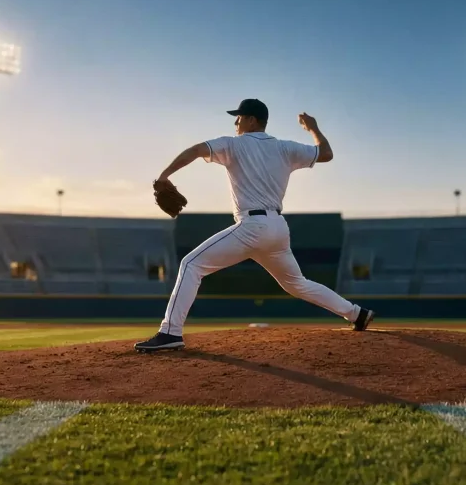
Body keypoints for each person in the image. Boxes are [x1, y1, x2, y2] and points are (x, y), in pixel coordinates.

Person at [135, 98, 376, 352]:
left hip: (252, 227)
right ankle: (357, 314)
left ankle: (170, 332)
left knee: (191, 264)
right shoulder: (285, 148)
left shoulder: (233, 144)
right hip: (277, 229)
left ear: (252, 120)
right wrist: (313, 128)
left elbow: (196, 150)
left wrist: (164, 176)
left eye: (239, 116)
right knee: (297, 283)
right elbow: (326, 154)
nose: (236, 121)